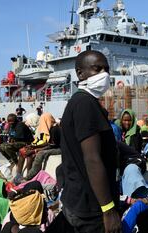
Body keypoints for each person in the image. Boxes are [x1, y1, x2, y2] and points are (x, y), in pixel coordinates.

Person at [58, 50, 121, 233]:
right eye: (97, 68)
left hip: (78, 200)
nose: (104, 74)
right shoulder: (86, 104)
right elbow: (92, 159)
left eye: (106, 69)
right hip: (92, 209)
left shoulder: (79, 102)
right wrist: (108, 210)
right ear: (80, 73)